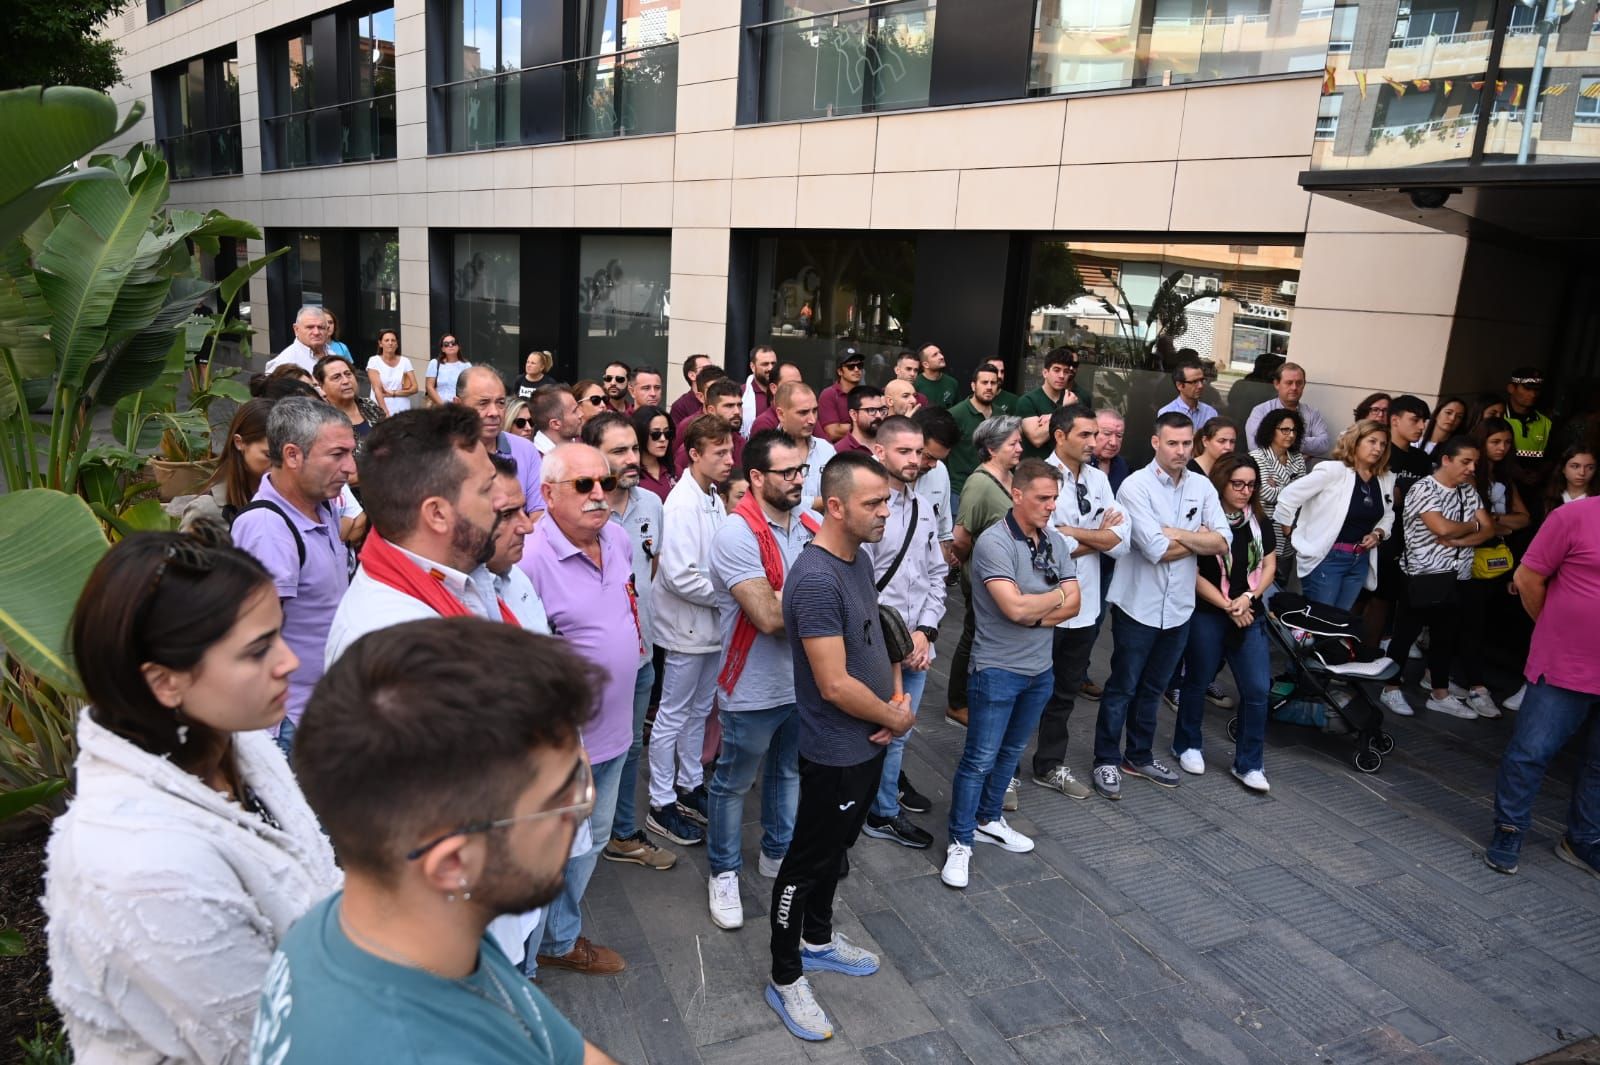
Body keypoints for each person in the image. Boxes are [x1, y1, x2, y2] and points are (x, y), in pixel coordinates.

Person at [250, 619, 611, 1064]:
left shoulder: (373, 924)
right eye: (565, 798)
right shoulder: (421, 1049)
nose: (581, 811)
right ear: (453, 864)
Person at [45, 531, 340, 1065]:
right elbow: (268, 1045)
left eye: (279, 635)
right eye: (257, 651)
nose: (289, 662)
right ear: (164, 682)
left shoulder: (236, 740)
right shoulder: (142, 865)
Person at [766, 452, 913, 1042]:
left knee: (836, 853)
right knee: (805, 863)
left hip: (869, 739)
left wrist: (896, 701)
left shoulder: (859, 556)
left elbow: (877, 636)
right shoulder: (818, 578)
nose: (886, 512)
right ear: (834, 506)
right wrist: (892, 719)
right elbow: (831, 683)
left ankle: (819, 939)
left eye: (887, 500)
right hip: (834, 750)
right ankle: (784, 975)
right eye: (874, 503)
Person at [518, 443, 646, 978]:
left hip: (615, 730)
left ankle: (560, 937)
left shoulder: (615, 537)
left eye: (606, 481)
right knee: (548, 857)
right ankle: (527, 961)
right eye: (584, 485)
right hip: (562, 749)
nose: (601, 494)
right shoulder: (528, 558)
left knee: (585, 850)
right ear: (547, 494)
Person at [942, 459, 1079, 888]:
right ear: (1017, 495)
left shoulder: (1054, 540)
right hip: (997, 669)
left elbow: (1074, 604)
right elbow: (1013, 608)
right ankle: (960, 841)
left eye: (1055, 498)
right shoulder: (993, 544)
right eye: (1043, 498)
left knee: (1010, 752)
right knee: (979, 758)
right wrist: (1052, 600)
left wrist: (1037, 609)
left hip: (1040, 669)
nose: (1051, 506)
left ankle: (989, 819)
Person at [704, 430, 819, 928]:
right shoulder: (736, 533)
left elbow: (788, 604)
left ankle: (777, 853)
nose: (798, 480)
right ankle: (723, 872)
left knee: (788, 772)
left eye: (801, 470)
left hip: (802, 682)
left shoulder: (810, 525)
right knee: (732, 783)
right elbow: (767, 619)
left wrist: (784, 594)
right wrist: (813, 603)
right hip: (751, 686)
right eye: (787, 472)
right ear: (755, 477)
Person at [1092, 412, 1229, 800]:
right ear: (1156, 443)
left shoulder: (1202, 487)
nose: (1181, 451)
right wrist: (1195, 538)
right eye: (1173, 443)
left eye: (1187, 443)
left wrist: (1176, 534)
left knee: (1154, 688)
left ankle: (1137, 756)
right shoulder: (1135, 487)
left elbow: (1222, 541)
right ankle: (1105, 758)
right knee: (1123, 686)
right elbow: (1155, 551)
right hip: (1138, 605)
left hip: (1181, 606)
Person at [323, 406, 508, 664]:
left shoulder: (463, 569)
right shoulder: (400, 653)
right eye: (487, 488)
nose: (502, 501)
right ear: (437, 514)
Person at [581, 414, 678, 873]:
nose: (632, 458)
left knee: (629, 749)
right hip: (588, 667)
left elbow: (649, 572)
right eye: (619, 451)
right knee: (580, 754)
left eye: (634, 448)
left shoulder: (653, 506)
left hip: (640, 657)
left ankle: (620, 833)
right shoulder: (575, 512)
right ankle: (574, 845)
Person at [231, 398, 356, 753]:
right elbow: (254, 637)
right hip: (290, 723)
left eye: (350, 452)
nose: (350, 467)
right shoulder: (268, 528)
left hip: (324, 710)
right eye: (337, 454)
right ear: (291, 455)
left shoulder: (324, 507)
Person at [1484, 495, 1600, 878]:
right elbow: (1526, 578)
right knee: (1531, 752)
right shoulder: (1573, 516)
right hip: (1565, 663)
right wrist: (1555, 631)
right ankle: (1510, 829)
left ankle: (1582, 840)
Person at [860, 416, 948, 849]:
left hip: (916, 642)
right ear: (880, 451)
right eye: (905, 451)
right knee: (871, 731)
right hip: (874, 644)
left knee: (901, 731)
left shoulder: (922, 506)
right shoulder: (867, 508)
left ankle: (882, 811)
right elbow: (857, 586)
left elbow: (937, 573)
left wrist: (926, 632)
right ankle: (863, 809)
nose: (915, 460)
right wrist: (897, 639)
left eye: (919, 452)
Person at [1032, 405, 1128, 801]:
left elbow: (1123, 540)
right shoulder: (1039, 475)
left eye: (1097, 435)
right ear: (1060, 435)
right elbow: (1049, 547)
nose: (1096, 443)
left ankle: (1048, 764)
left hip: (1086, 606)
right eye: (1086, 435)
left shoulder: (1098, 478)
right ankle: (1004, 769)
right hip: (1047, 603)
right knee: (1030, 688)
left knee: (1067, 689)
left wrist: (1074, 534)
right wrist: (1093, 536)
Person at [649, 415, 736, 845]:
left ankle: (688, 784)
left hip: (711, 628)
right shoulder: (681, 503)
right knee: (672, 714)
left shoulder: (713, 497)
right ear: (695, 454)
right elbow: (679, 576)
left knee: (700, 711)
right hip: (686, 629)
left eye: (730, 449)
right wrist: (732, 594)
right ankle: (660, 801)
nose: (729, 459)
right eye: (719, 452)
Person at [1174, 454, 1277, 791]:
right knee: (1198, 679)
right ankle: (1187, 744)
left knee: (1258, 689)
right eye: (1238, 484)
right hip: (1209, 613)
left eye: (1251, 484)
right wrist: (1229, 605)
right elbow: (1192, 572)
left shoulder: (1259, 520)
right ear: (1221, 482)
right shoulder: (1205, 521)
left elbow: (1270, 565)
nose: (1245, 490)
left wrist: (1248, 598)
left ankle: (1249, 764)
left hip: (1249, 611)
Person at [1377, 436, 1495, 720]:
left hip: (1459, 574)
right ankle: (1390, 687)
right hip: (1423, 575)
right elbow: (1441, 527)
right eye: (1466, 461)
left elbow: (1490, 529)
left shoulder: (1467, 490)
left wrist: (1461, 541)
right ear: (1446, 459)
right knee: (1405, 635)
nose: (1471, 468)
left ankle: (1439, 693)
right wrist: (1471, 525)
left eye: (1475, 463)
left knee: (1445, 637)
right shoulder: (1424, 488)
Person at [947, 416, 1025, 733]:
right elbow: (960, 537)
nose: (1021, 447)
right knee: (973, 635)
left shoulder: (1012, 476)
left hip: (1008, 578)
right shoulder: (980, 484)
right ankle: (957, 702)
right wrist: (970, 566)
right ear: (992, 449)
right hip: (983, 578)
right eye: (1013, 443)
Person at [1272, 419, 1395, 612]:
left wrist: (1378, 533)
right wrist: (1289, 530)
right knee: (1319, 621)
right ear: (1356, 441)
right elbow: (1288, 496)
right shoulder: (1333, 470)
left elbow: (1388, 514)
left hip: (1360, 560)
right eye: (1372, 441)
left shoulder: (1384, 478)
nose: (1378, 448)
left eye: (1383, 444)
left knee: (1339, 621)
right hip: (1328, 558)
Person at [1455, 417, 1530, 717]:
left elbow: (1523, 518)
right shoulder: (1472, 475)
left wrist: (1495, 522)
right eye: (1495, 441)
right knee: (1467, 620)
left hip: (1495, 562)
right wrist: (1497, 522)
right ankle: (1473, 685)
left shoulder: (1505, 478)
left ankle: (1461, 679)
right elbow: (1475, 519)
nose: (1502, 448)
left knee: (1479, 621)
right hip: (1467, 557)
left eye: (1507, 442)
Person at [1364, 395, 1434, 654]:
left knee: (1385, 600)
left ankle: (1368, 656)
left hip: (1405, 540)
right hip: (1371, 537)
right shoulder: (1378, 452)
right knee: (1359, 600)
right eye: (1415, 420)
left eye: (1424, 421)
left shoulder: (1422, 460)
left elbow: (1426, 500)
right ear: (1394, 420)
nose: (1421, 426)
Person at [171, 397, 274, 531]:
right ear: (239, 442)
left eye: (288, 455)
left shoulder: (290, 499)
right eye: (269, 455)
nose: (279, 464)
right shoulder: (207, 511)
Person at [455, 366, 545, 518]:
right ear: (458, 405)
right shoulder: (439, 455)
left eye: (500, 403)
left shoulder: (526, 450)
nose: (494, 412)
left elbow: (539, 514)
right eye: (483, 403)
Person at [1249, 407, 1308, 579]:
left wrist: (1278, 485)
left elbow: (1302, 495)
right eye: (1284, 430)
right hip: (1262, 533)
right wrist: (1291, 487)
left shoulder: (1297, 458)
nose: (1290, 435)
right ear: (1271, 430)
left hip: (1288, 536)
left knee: (1280, 592)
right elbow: (1267, 494)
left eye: (1294, 430)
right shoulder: (1257, 457)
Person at [947, 364, 1010, 505]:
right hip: (960, 491)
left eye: (993, 383)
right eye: (984, 382)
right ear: (973, 386)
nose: (989, 387)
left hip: (993, 490)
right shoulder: (956, 414)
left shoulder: (1001, 415)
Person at [1244, 361, 1333, 458]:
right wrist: (1297, 455)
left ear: (1304, 384)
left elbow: (1324, 444)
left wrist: (1283, 440)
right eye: (1289, 383)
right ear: (1277, 384)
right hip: (1268, 472)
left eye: (1299, 383)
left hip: (1303, 473)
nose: (1294, 387)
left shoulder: (1312, 414)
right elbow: (1255, 445)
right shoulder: (1261, 411)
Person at [912, 405, 960, 575]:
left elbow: (943, 534)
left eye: (939, 459)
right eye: (928, 457)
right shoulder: (873, 472)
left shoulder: (940, 471)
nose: (933, 465)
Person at [773, 381, 837, 507]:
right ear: (781, 414)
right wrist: (818, 503)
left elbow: (840, 495)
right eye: (803, 413)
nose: (812, 420)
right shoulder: (767, 452)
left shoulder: (826, 450)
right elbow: (775, 501)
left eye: (814, 411)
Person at [1014, 347, 1079, 459]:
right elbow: (1037, 438)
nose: (1062, 376)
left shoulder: (1073, 399)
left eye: (1066, 371)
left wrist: (1050, 417)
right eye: (1056, 370)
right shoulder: (1028, 401)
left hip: (1063, 468)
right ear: (1045, 372)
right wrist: (1063, 410)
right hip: (1035, 469)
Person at [676, 377, 747, 471]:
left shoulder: (743, 446)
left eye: (739, 405)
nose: (737, 411)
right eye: (729, 406)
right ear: (711, 410)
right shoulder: (692, 448)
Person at [314, 355, 384, 445]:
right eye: (336, 377)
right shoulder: (321, 420)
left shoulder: (369, 405)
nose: (346, 381)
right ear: (321, 385)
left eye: (348, 374)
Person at [1158, 356, 1219, 434]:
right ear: (1180, 385)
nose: (1200, 386)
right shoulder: (1166, 413)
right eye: (1194, 382)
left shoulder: (1210, 413)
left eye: (1202, 380)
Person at [1505, 366, 1553, 465]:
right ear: (1511, 388)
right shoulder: (1498, 417)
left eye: (1537, 390)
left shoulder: (1546, 423)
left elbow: (1550, 458)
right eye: (1527, 388)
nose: (1533, 394)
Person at [265, 306, 331, 374]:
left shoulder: (332, 353)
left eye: (321, 327)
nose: (316, 332)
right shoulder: (284, 361)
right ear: (296, 329)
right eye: (310, 327)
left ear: (327, 330)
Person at [366, 328, 417, 415]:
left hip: (402, 411)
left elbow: (415, 388)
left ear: (397, 344)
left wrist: (394, 393)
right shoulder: (374, 361)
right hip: (380, 410)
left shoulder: (405, 361)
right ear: (380, 344)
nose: (390, 343)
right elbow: (377, 389)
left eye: (393, 340)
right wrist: (385, 412)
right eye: (387, 340)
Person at [817, 348, 865, 443]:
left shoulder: (866, 394)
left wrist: (844, 426)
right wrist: (865, 424)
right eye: (850, 366)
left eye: (859, 366)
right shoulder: (829, 394)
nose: (856, 369)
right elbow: (833, 432)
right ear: (840, 371)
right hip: (839, 454)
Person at [633, 404, 677, 502]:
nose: (663, 439)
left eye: (667, 433)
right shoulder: (630, 475)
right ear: (640, 435)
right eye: (655, 434)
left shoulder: (676, 470)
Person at [530, 386, 582, 455]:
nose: (581, 414)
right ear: (555, 424)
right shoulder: (538, 462)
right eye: (574, 411)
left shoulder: (581, 442)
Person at [835, 384, 887, 453]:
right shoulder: (839, 451)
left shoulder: (890, 444)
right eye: (871, 410)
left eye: (881, 410)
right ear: (853, 414)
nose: (879, 415)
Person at [740, 345, 778, 436]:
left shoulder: (785, 392)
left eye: (773, 364)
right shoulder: (742, 393)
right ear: (753, 367)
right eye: (765, 364)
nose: (770, 368)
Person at [1546, 445, 1597, 510]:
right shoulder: (1547, 500)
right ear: (1563, 468)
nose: (1582, 473)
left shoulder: (1597, 501)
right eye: (1575, 466)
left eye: (1590, 468)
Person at [425, 334, 471, 406]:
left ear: (458, 346)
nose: (450, 345)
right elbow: (429, 387)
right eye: (446, 344)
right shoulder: (434, 363)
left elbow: (470, 387)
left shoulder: (466, 365)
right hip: (439, 408)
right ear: (442, 349)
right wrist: (443, 405)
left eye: (453, 343)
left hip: (460, 407)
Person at [1094, 408, 1131, 494]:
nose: (1113, 442)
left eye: (1119, 436)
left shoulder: (1122, 465)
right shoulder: (1079, 464)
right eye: (1107, 434)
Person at [914, 342, 961, 409]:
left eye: (940, 353)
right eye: (935, 355)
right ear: (926, 364)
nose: (942, 357)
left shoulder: (952, 382)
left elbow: (958, 410)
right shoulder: (915, 384)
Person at [670, 353, 712, 425]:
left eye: (712, 368)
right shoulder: (680, 406)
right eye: (707, 369)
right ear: (692, 375)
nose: (712, 372)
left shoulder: (719, 399)